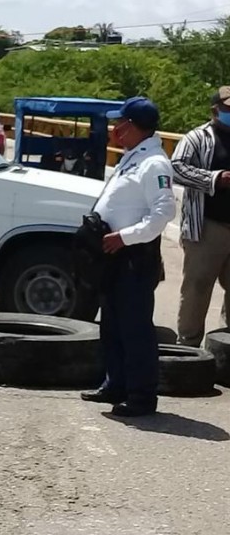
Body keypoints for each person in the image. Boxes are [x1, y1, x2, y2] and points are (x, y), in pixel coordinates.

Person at [80, 96, 176, 417]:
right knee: (112, 326)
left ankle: (141, 397)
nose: (115, 129)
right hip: (114, 256)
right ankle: (115, 384)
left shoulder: (154, 163)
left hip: (135, 257)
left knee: (135, 330)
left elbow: (163, 213)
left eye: (119, 123)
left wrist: (124, 236)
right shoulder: (132, 157)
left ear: (134, 126)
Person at [171, 87, 230, 348]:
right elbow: (176, 168)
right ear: (215, 109)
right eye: (228, 108)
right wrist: (215, 178)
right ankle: (188, 347)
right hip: (207, 226)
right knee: (197, 287)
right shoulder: (198, 137)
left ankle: (224, 346)